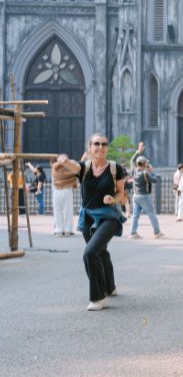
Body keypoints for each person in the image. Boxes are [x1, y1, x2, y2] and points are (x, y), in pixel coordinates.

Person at [57, 133, 127, 311]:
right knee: (101, 252)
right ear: (90, 147)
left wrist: (113, 198)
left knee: (90, 252)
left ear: (107, 148)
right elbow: (73, 165)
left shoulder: (115, 168)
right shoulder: (84, 168)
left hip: (108, 217)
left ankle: (98, 297)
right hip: (88, 219)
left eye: (104, 144)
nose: (100, 147)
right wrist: (65, 160)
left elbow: (121, 192)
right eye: (96, 144)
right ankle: (110, 286)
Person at [128, 143, 165, 239]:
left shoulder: (134, 170)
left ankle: (133, 232)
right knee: (152, 214)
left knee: (135, 215)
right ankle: (157, 232)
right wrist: (151, 171)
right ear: (144, 164)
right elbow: (155, 180)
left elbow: (131, 160)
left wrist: (138, 151)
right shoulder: (145, 173)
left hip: (136, 196)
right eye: (146, 163)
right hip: (144, 196)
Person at [50, 154, 78, 236]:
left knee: (57, 211)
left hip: (56, 190)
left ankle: (59, 230)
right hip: (67, 189)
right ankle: (67, 230)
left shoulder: (54, 167)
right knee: (67, 211)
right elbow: (77, 171)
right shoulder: (69, 167)